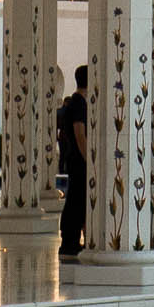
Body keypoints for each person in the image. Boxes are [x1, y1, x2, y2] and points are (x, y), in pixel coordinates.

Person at [55, 65, 90, 258]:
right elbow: (80, 133)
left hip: (77, 159)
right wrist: (88, 160)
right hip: (78, 161)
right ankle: (70, 241)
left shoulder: (79, 102)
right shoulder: (78, 103)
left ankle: (73, 240)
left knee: (77, 199)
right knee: (76, 200)